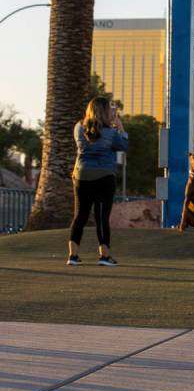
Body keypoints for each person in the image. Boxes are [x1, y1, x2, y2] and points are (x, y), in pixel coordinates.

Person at [67, 97, 128, 266]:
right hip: (104, 176)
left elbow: (82, 151)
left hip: (81, 175)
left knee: (80, 215)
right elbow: (123, 145)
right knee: (101, 217)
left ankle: (73, 256)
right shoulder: (111, 132)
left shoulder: (78, 127)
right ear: (105, 111)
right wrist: (119, 124)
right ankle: (105, 256)